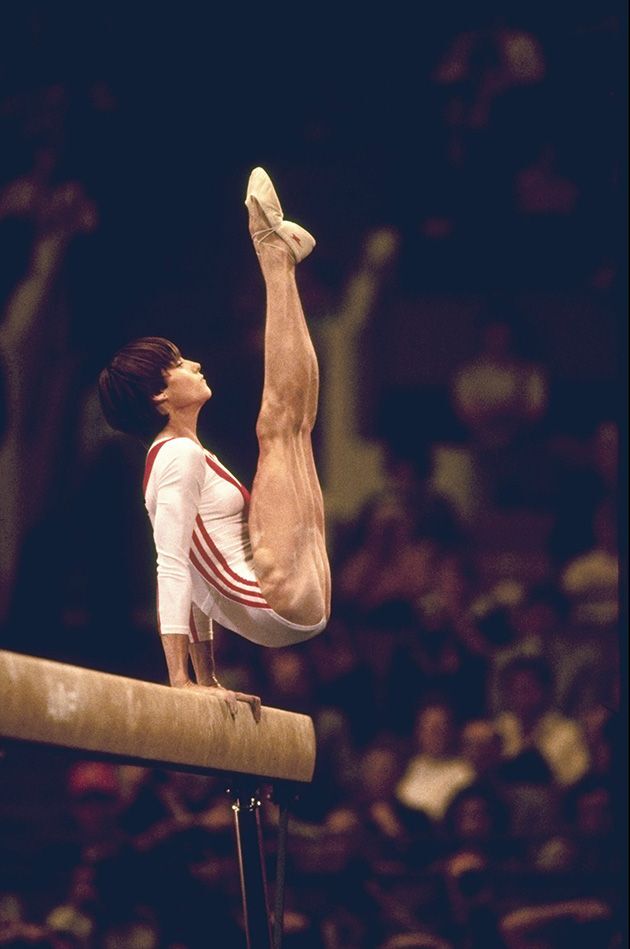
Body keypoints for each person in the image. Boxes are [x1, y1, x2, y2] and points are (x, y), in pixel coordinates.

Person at [98, 168, 331, 719]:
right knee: (279, 428)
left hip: (290, 600)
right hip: (276, 597)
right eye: (177, 365)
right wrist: (180, 681)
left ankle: (283, 263)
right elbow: (173, 566)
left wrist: (209, 675)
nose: (194, 364)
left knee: (294, 426)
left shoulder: (188, 454)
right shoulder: (176, 458)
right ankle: (275, 260)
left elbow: (202, 578)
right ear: (160, 397)